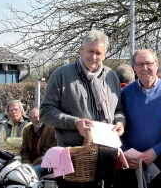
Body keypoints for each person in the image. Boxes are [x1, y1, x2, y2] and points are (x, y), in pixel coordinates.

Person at [40, 29, 125, 188]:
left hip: (106, 157)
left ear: (104, 54)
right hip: (73, 159)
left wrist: (120, 122)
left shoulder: (111, 76)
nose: (94, 57)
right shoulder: (62, 75)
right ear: (81, 50)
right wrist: (75, 122)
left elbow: (119, 109)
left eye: (98, 53)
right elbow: (45, 112)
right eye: (90, 51)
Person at [114, 49, 161, 188]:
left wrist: (155, 151)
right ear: (134, 67)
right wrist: (125, 152)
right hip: (131, 165)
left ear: (157, 65)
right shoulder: (125, 93)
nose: (145, 68)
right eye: (140, 64)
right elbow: (117, 126)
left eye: (149, 63)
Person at [20, 107, 57, 179]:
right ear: (30, 119)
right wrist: (26, 163)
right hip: (31, 162)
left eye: (40, 117)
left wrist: (32, 166)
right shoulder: (27, 130)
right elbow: (24, 150)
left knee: (32, 174)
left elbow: (47, 153)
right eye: (35, 117)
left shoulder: (50, 129)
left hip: (46, 162)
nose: (38, 120)